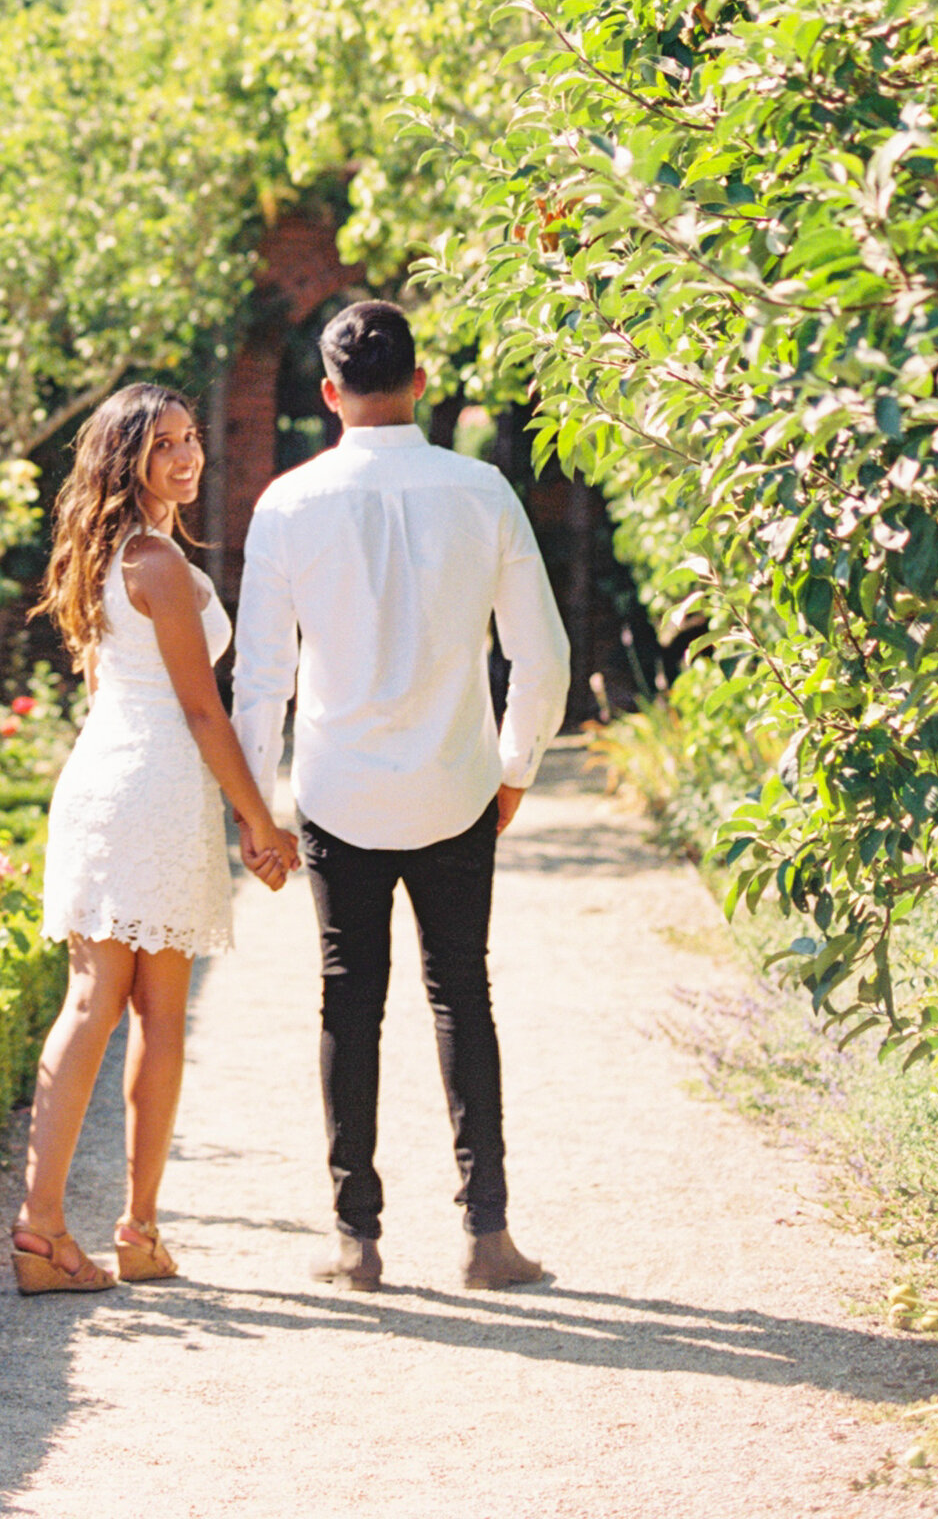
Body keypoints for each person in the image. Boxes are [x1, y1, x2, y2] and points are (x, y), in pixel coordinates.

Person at [233, 296, 570, 1293]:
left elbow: (261, 680)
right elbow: (540, 655)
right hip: (458, 785)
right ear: (420, 383)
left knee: (349, 1000)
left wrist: (260, 817)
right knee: (463, 995)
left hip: (337, 796)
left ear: (328, 393)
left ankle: (357, 1238)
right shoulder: (482, 493)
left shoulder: (287, 504)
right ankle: (487, 1235)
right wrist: (515, 769)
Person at [14, 382, 298, 1293]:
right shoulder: (157, 565)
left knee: (131, 1009)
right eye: (163, 444)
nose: (186, 457)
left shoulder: (105, 556)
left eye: (191, 439)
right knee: (117, 1007)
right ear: (124, 458)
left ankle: (126, 1233)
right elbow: (202, 712)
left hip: (113, 779)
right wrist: (263, 823)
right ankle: (52, 1229)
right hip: (150, 787)